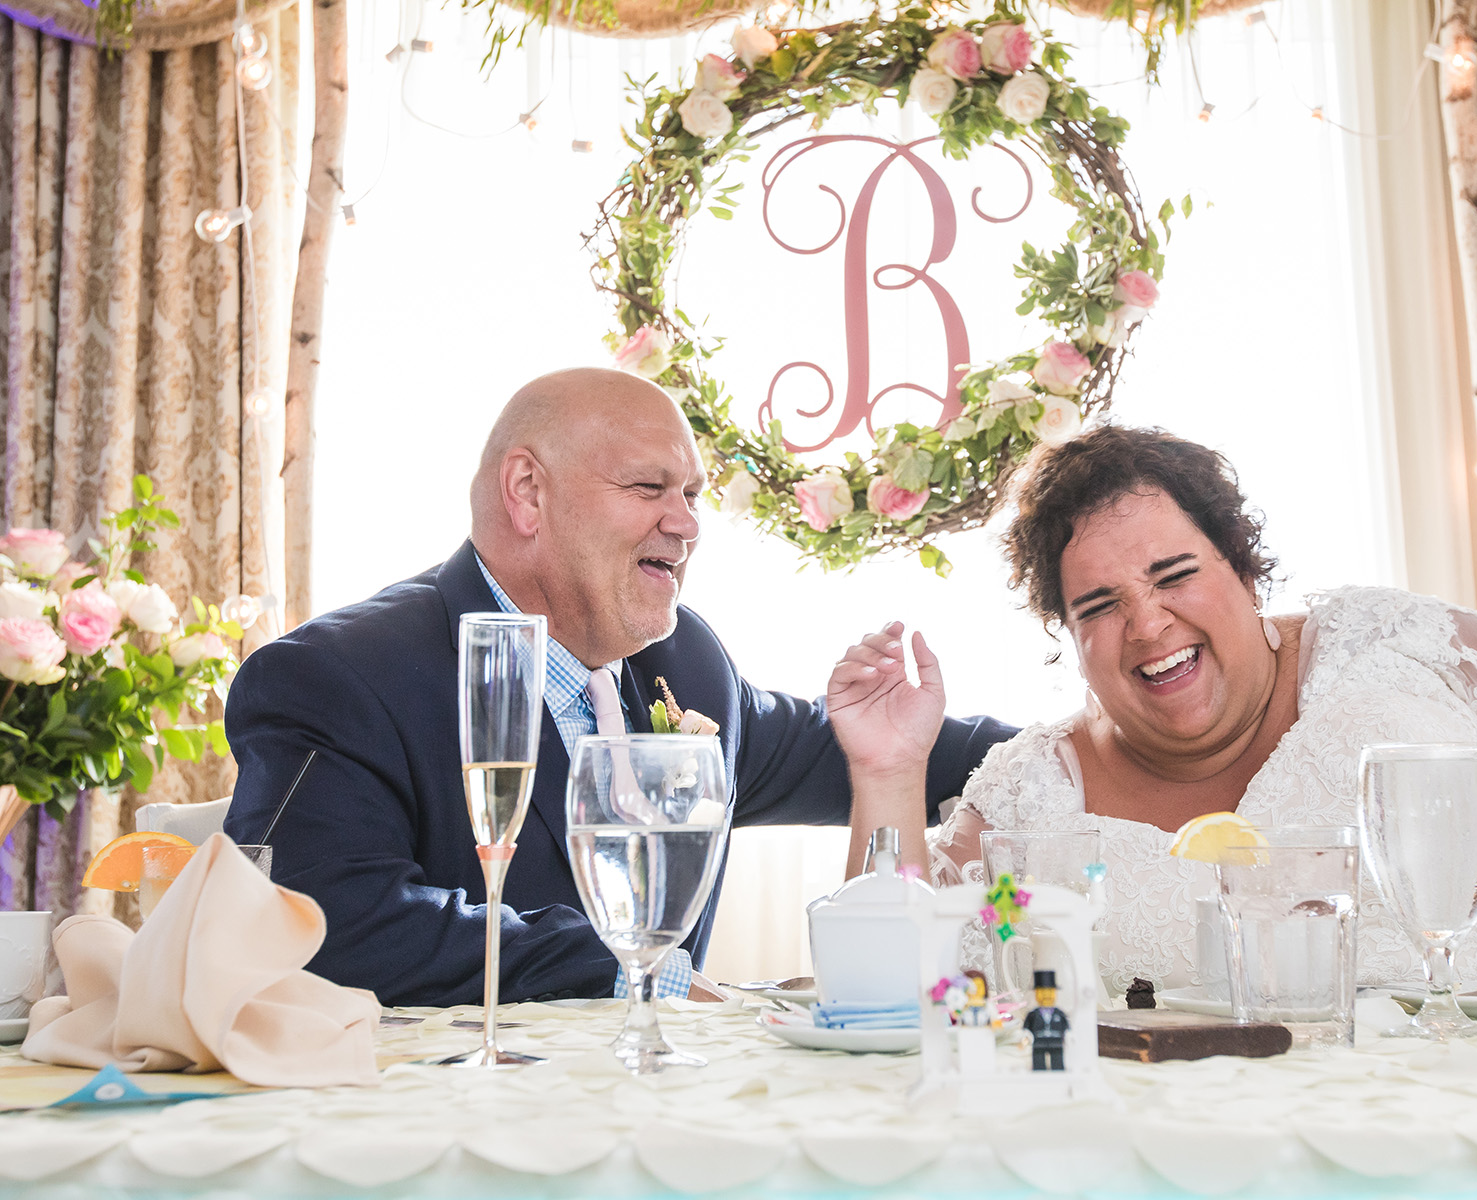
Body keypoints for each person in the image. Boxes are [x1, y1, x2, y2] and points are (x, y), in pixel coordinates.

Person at [827, 425, 1477, 1000]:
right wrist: (888, 773)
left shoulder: (1400, 644)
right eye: (1098, 606)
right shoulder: (1038, 791)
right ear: (1066, 632)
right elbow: (908, 976)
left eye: (1175, 574)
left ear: (1241, 562)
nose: (1149, 627)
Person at [224, 368, 1014, 1007]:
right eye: (649, 488)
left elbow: (869, 745)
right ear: (528, 493)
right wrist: (626, 970)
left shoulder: (687, 662)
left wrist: (1097, 739)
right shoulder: (337, 678)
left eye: (694, 495)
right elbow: (318, 920)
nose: (688, 524)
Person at [1024, 969, 1069, 1071]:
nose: (1046, 996)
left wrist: (1068, 1035)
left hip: (1056, 1043)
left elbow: (1066, 1027)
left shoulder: (1059, 1014)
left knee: (1058, 1065)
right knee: (1038, 1066)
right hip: (1039, 1044)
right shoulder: (1033, 1015)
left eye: (1050, 992)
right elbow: (1026, 1028)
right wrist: (1026, 1036)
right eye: (1042, 992)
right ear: (1035, 994)